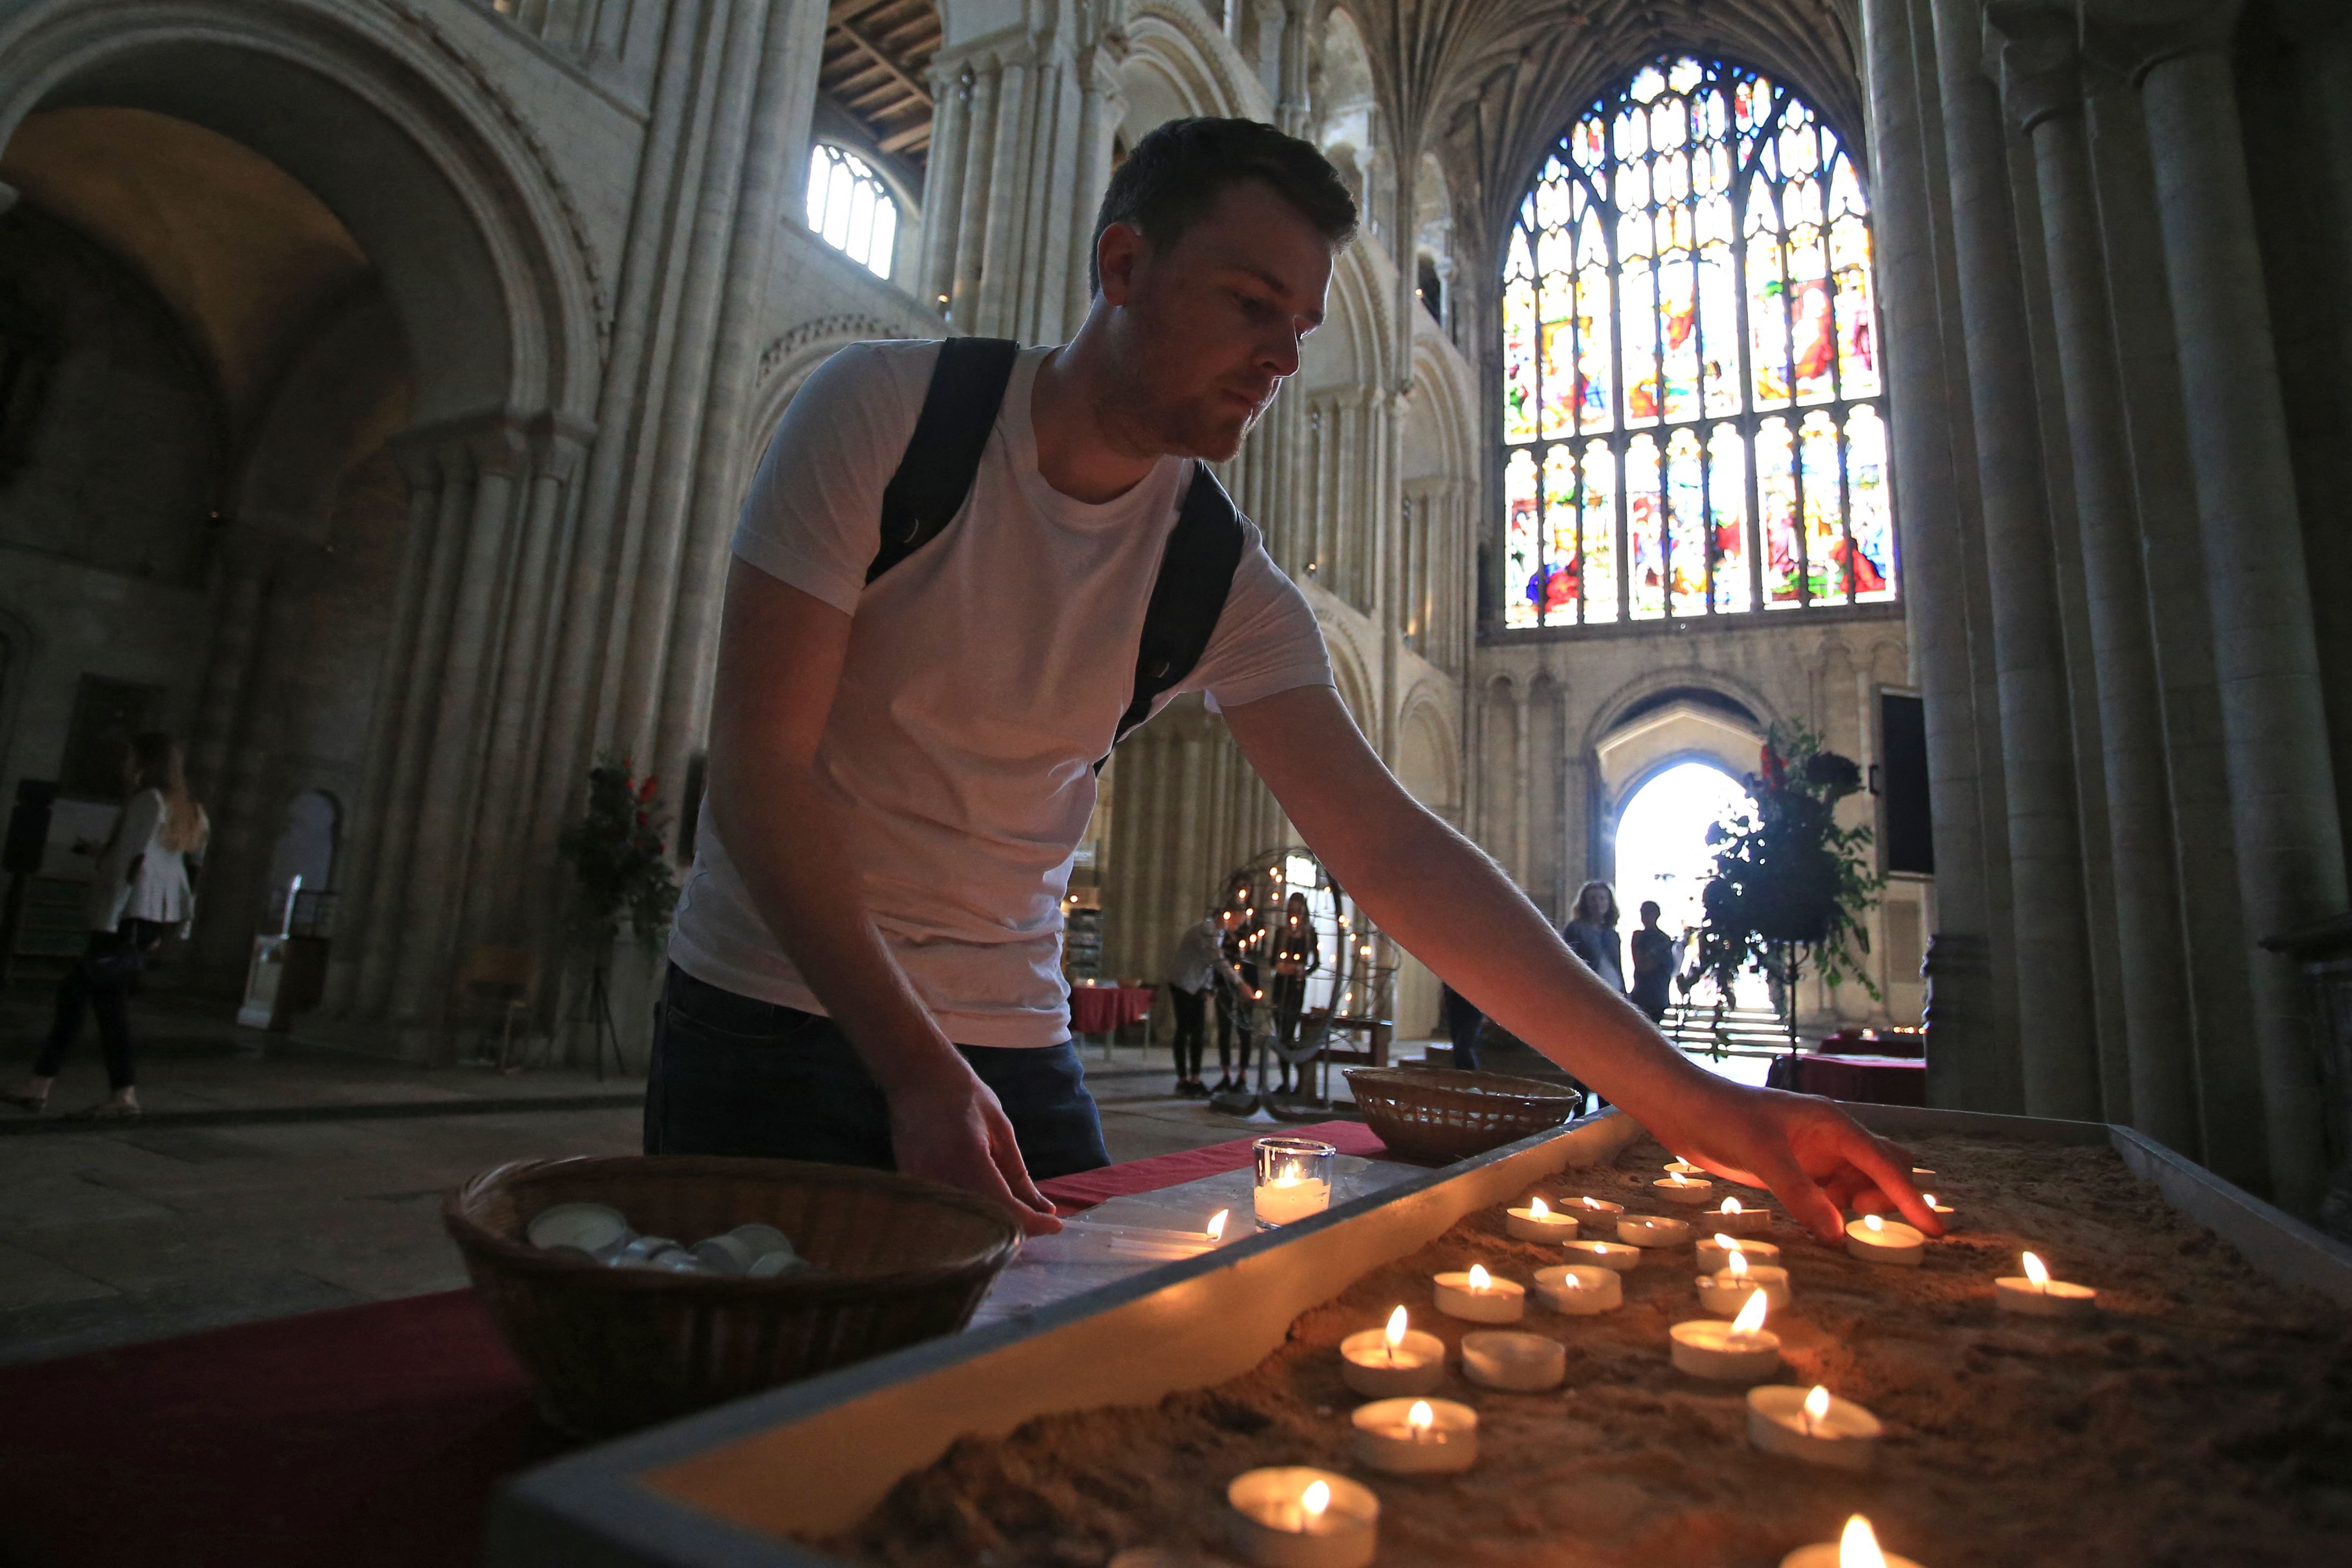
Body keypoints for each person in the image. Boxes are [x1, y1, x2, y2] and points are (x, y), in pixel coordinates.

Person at [653, 116, 1939, 1247]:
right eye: (1247, 304)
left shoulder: (1220, 579)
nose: (1279, 357)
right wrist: (912, 1067)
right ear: (1120, 265)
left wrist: (1699, 1104)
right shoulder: (883, 415)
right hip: (771, 1009)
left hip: (1005, 1036)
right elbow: (760, 767)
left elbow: (1390, 851)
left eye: (1301, 327)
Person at [5, 735, 207, 1120]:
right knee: (106, 1006)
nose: (124, 764)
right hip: (147, 922)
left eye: (129, 756)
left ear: (146, 763)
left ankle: (42, 1085)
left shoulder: (148, 801)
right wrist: (172, 928)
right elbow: (182, 871)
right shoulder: (192, 812)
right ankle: (116, 1093)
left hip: (123, 920)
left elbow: (130, 866)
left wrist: (107, 919)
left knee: (75, 997)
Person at [1163, 913, 1244, 1096]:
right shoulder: (1206, 930)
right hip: (1183, 983)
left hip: (1198, 986)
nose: (1237, 928)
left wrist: (1209, 987)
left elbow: (1208, 964)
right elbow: (1216, 960)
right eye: (1237, 922)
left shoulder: (1220, 933)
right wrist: (1240, 984)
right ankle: (1183, 1080)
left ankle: (1196, 1079)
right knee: (1184, 1030)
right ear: (1228, 916)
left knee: (1198, 1032)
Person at [1267, 890, 1320, 1095]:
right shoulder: (1282, 932)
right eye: (1291, 910)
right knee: (1281, 1032)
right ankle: (1285, 1080)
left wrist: (1303, 970)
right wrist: (1281, 966)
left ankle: (1298, 1080)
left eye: (1298, 910)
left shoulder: (1309, 933)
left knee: (1290, 1031)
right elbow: (1273, 960)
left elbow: (1315, 961)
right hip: (1281, 984)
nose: (1294, 914)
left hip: (1297, 986)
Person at [1213, 904, 1263, 1095]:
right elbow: (1218, 957)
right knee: (1224, 1028)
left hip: (1247, 983)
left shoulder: (1250, 931)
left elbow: (1256, 956)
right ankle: (1226, 1075)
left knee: (1245, 1029)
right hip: (1225, 982)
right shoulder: (1221, 933)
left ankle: (1242, 1077)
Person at [1563, 881, 1626, 996]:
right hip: (1589, 992)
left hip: (1615, 992)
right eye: (1593, 899)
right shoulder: (1576, 929)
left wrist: (1625, 995)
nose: (1598, 903)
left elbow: (1617, 966)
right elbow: (1568, 963)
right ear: (1585, 903)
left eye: (1602, 899)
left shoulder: (1612, 934)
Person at [1628, 900, 1676, 1026]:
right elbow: (1642, 965)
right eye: (1644, 914)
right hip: (1642, 994)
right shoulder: (1640, 936)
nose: (1645, 917)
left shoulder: (1663, 939)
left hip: (1657, 995)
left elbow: (1666, 967)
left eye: (1649, 913)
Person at [1438, 981, 1484, 1071]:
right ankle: (1461, 1074)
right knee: (1458, 1047)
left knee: (1464, 1046)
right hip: (1455, 1006)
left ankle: (1473, 1076)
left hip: (1472, 1010)